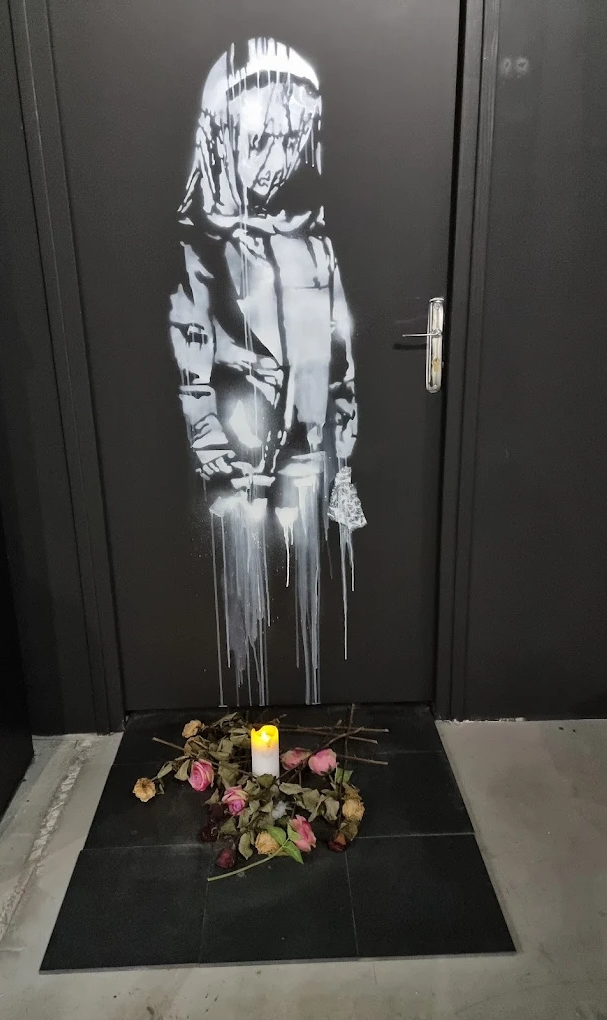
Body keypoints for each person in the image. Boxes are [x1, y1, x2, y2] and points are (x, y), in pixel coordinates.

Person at [169, 38, 359, 705]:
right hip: (236, 466)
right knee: (243, 609)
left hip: (309, 454)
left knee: (308, 600)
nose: (275, 160)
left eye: (288, 140)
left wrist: (342, 449)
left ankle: (305, 704)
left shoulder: (314, 242)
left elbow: (338, 353)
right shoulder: (200, 247)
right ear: (220, 137)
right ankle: (246, 710)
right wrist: (212, 452)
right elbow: (190, 356)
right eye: (259, 140)